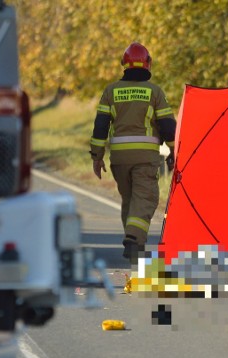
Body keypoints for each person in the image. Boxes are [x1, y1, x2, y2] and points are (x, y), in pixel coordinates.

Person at [89, 42, 177, 260]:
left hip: (119, 158)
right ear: (148, 64)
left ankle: (134, 242)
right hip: (145, 158)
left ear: (124, 65)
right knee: (145, 198)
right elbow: (167, 126)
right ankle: (134, 239)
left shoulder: (110, 91)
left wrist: (97, 157)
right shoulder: (154, 92)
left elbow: (100, 127)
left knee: (129, 199)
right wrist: (175, 151)